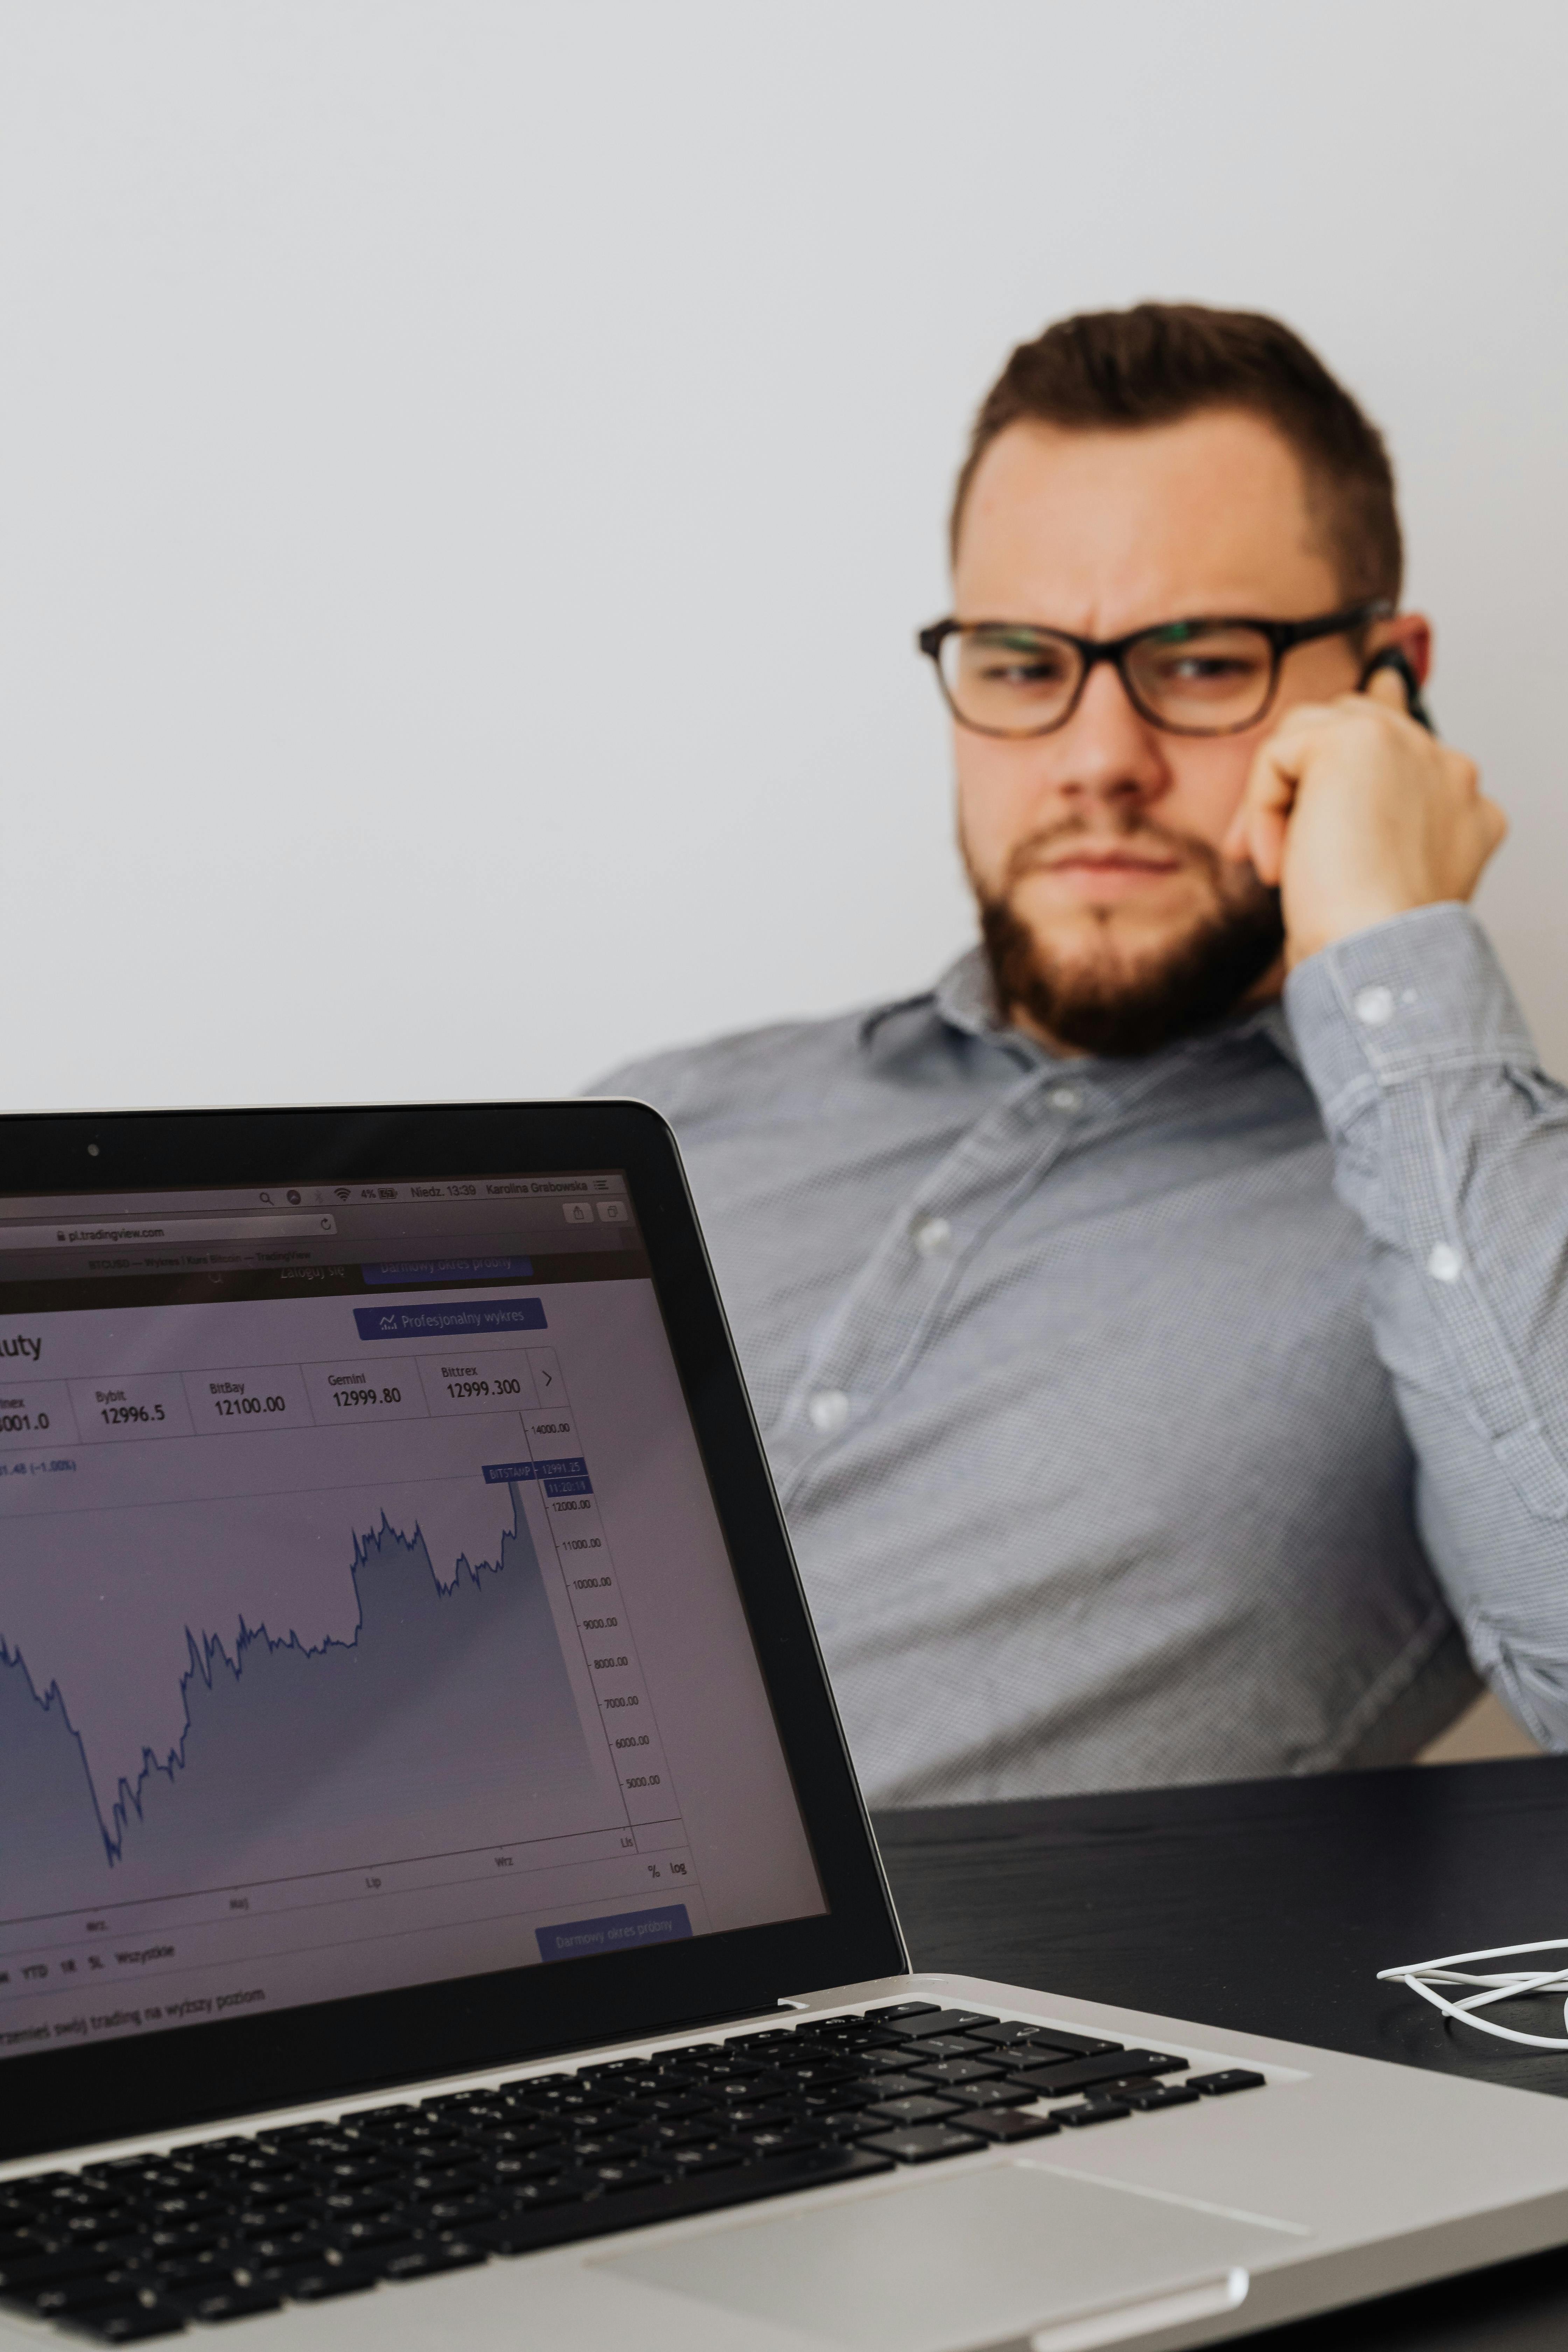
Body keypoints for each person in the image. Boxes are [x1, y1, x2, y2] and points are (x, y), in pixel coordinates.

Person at [590, 302, 1568, 1806]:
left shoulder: (1472, 1227)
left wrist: (1392, 939)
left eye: (1196, 663)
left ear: (1387, 684)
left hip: (906, 2043)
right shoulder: (658, 1124)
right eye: (1021, 660)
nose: (1097, 756)